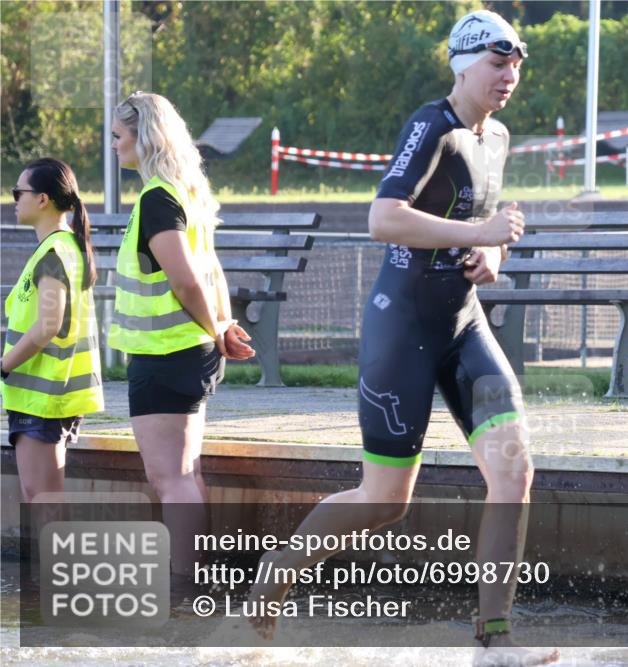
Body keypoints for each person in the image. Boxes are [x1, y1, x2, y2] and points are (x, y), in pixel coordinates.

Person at [245, 10, 558, 665]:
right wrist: (480, 236)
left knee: (514, 468)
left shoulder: (495, 137)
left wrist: (489, 257)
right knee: (385, 501)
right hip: (404, 326)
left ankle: (495, 636)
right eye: (497, 64)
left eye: (516, 66)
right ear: (463, 65)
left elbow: (473, 227)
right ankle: (281, 564)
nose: (509, 76)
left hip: (463, 321)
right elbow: (383, 218)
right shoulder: (431, 125)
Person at [108, 91, 255, 574]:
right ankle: (199, 580)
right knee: (188, 471)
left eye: (118, 136)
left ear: (143, 137)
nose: (113, 146)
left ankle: (184, 588)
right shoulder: (185, 190)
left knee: (169, 478)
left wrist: (217, 328)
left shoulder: (156, 197)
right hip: (188, 350)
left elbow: (186, 278)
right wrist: (224, 325)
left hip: (166, 353)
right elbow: (210, 268)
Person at [2, 158, 104, 502]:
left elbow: (47, 326)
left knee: (43, 501)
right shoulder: (64, 247)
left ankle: (57, 559)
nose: (14, 198)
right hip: (47, 396)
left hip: (42, 399)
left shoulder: (55, 252)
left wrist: (5, 364)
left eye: (19, 192)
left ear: (43, 199)